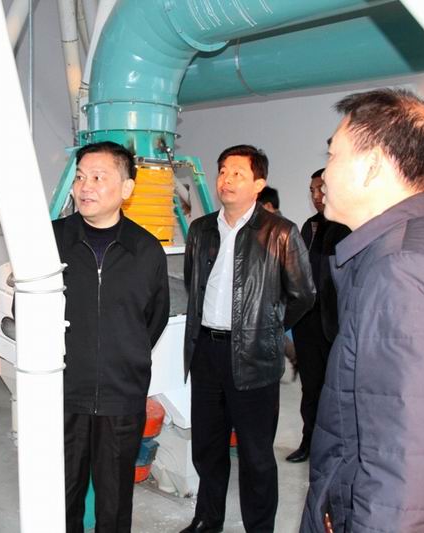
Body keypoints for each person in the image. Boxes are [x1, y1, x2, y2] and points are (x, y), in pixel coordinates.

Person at [301, 88, 424, 532]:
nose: (324, 175)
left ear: (373, 165)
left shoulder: (404, 268)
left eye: (333, 156)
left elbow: (405, 463)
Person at [182, 145, 315, 532]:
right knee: (207, 448)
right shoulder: (201, 230)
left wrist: (267, 329)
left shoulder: (280, 232)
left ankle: (260, 528)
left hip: (254, 358)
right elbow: (194, 283)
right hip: (206, 353)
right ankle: (208, 520)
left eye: (238, 173)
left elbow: (303, 294)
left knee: (256, 456)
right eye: (223, 171)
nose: (226, 179)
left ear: (259, 183)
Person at [53, 141, 170, 533]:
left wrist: (123, 355)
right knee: (60, 496)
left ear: (126, 188)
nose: (85, 186)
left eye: (98, 177)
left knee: (115, 502)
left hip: (121, 397)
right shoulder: (51, 241)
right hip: (63, 392)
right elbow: (27, 310)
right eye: (80, 177)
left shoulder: (146, 250)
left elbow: (153, 319)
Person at [286, 169, 350, 463]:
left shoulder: (350, 225)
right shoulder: (310, 226)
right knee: (310, 388)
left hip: (338, 325)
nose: (316, 196)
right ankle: (308, 442)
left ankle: (336, 450)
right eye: (312, 190)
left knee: (337, 391)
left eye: (320, 189)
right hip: (308, 323)